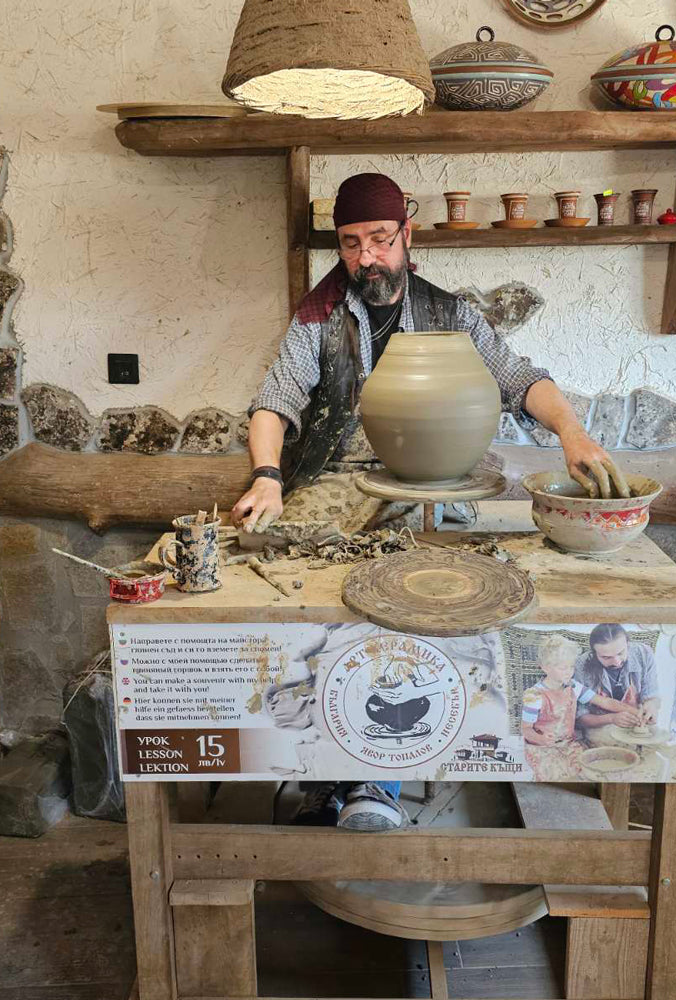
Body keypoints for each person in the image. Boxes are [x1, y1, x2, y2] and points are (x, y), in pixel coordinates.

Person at [233, 172, 613, 831]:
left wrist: (572, 433)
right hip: (341, 480)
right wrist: (267, 473)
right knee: (320, 603)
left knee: (412, 601)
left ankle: (380, 777)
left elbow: (520, 381)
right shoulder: (317, 317)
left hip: (433, 487)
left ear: (407, 234)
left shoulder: (453, 314)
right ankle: (326, 776)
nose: (365, 259)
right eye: (351, 244)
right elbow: (275, 401)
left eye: (379, 240)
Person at [520, 635, 628, 746]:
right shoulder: (534, 696)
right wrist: (540, 739)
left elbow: (605, 702)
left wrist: (634, 711)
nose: (568, 672)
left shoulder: (574, 687)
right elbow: (526, 729)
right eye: (562, 668)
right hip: (543, 747)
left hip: (569, 744)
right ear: (545, 667)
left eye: (571, 667)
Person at [575, 624, 662, 745]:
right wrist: (611, 719)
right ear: (594, 654)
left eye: (621, 653)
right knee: (618, 750)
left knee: (657, 744)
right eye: (606, 657)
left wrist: (651, 706)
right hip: (601, 725)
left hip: (635, 720)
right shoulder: (581, 665)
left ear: (628, 643)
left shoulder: (644, 653)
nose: (616, 662)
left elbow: (651, 695)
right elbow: (580, 718)